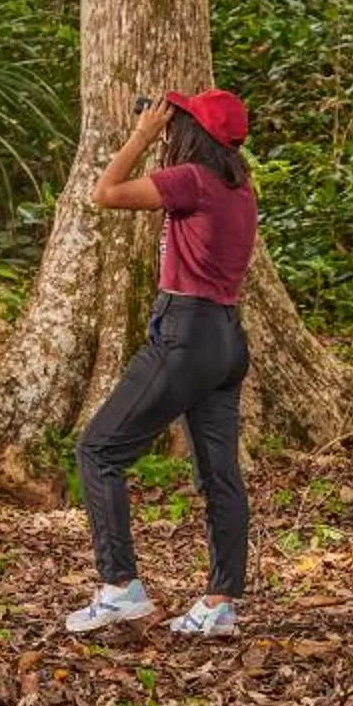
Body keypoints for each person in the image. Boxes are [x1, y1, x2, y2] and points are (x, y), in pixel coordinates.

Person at [64, 89, 258, 640]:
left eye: (178, 120)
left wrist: (143, 135)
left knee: (98, 450)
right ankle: (220, 603)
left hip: (185, 333)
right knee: (219, 474)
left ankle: (119, 588)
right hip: (225, 338)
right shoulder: (239, 187)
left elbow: (106, 193)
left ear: (191, 132)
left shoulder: (192, 178)